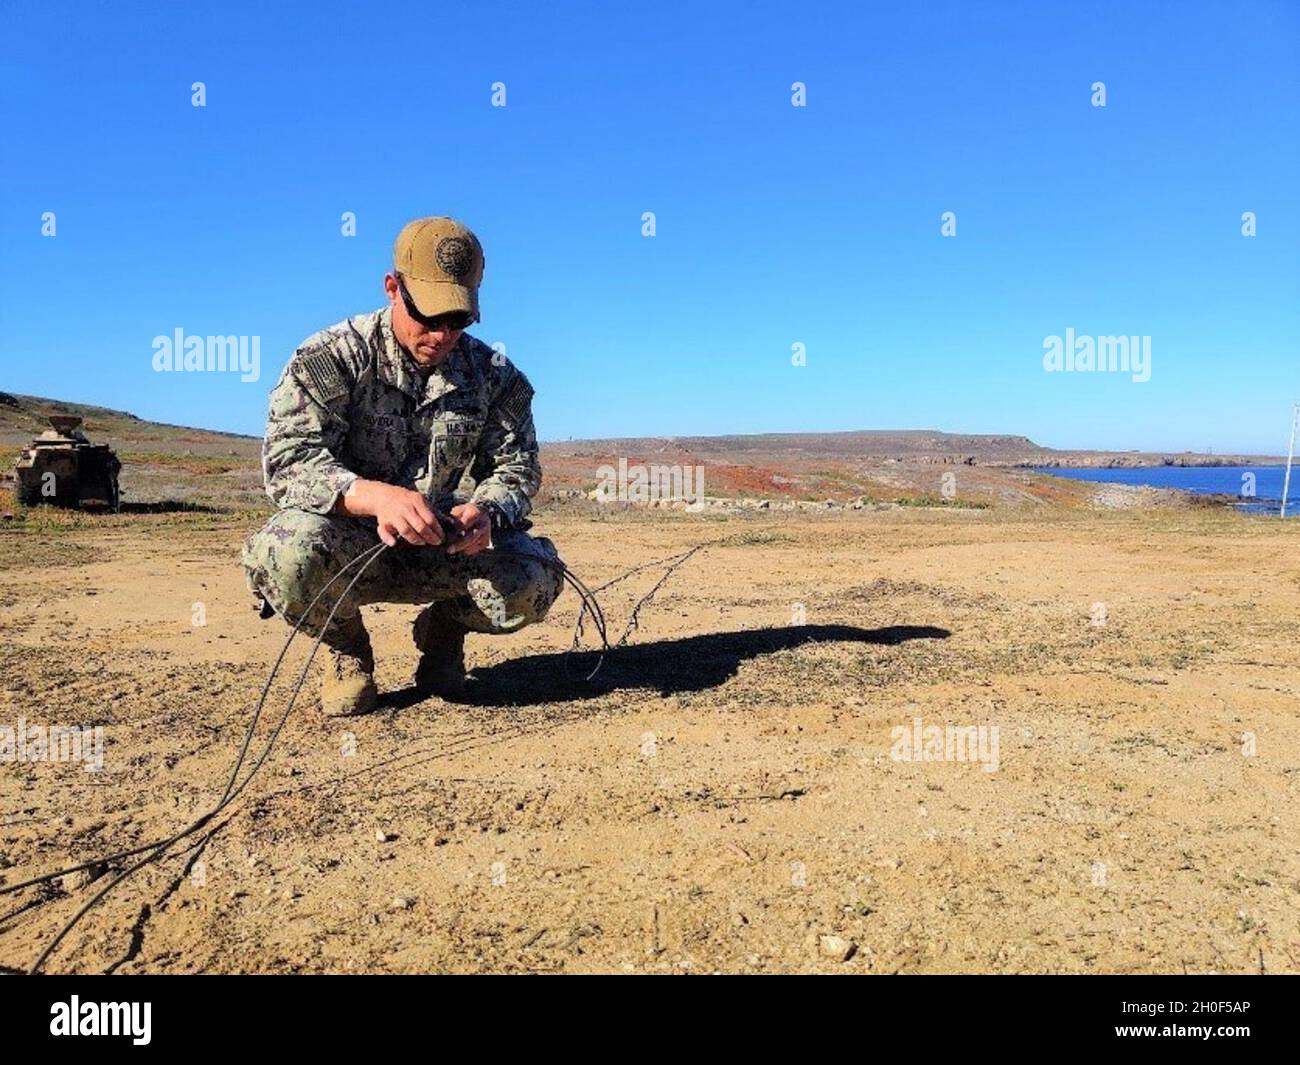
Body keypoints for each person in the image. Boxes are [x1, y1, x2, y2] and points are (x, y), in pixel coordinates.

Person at [241, 217, 562, 716]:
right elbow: (289, 462)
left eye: (456, 321)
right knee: (285, 553)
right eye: (427, 316)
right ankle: (347, 650)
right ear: (393, 288)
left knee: (531, 575)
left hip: (443, 545)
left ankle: (444, 634)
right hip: (348, 546)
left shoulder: (495, 378)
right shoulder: (330, 358)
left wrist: (487, 512)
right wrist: (375, 497)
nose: (442, 334)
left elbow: (516, 467)